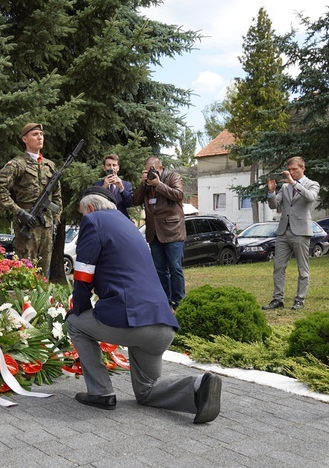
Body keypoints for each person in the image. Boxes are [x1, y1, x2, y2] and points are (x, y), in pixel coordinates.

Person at [66, 185, 222, 423]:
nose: (83, 217)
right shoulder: (127, 225)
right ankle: (197, 387)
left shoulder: (93, 221)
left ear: (89, 208)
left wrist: (79, 308)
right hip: (163, 325)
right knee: (146, 390)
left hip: (131, 321)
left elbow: (83, 273)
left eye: (82, 213)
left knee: (75, 323)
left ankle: (101, 393)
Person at [0, 123, 62, 275]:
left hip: (47, 227)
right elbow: (0, 193)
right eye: (35, 134)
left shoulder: (49, 166)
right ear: (25, 139)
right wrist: (20, 213)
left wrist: (56, 219)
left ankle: (43, 299)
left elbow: (57, 196)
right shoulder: (17, 164)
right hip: (27, 226)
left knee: (44, 274)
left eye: (41, 134)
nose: (40, 137)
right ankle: (25, 300)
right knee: (25, 272)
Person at [262, 156, 320, 311]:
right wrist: (271, 191)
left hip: (301, 231)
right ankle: (277, 299)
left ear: (303, 168)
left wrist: (293, 183)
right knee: (278, 266)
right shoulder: (285, 187)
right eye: (290, 170)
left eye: (295, 169)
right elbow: (274, 204)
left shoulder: (312, 184)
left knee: (303, 268)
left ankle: (299, 299)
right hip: (283, 231)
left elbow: (310, 197)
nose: (292, 172)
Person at [133, 156, 186, 311]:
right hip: (154, 233)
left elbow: (178, 195)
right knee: (159, 270)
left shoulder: (173, 177)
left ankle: (179, 301)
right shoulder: (147, 184)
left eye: (153, 170)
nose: (150, 173)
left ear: (161, 168)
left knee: (175, 268)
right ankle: (165, 301)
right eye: (147, 170)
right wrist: (143, 184)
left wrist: (159, 184)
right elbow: (135, 200)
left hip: (173, 232)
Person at [93, 153, 134, 218]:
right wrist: (104, 188)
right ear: (104, 168)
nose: (111, 168)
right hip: (104, 220)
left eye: (114, 165)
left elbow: (129, 203)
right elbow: (94, 204)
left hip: (121, 220)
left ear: (118, 168)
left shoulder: (126, 185)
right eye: (108, 165)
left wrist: (121, 188)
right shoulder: (97, 185)